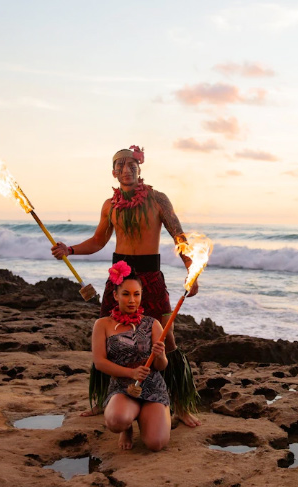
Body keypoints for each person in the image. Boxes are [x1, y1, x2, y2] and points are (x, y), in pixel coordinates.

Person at [51, 145, 201, 427]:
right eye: (120, 166)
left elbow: (178, 236)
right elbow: (98, 241)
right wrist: (69, 249)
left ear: (139, 169)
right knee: (107, 335)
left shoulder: (158, 200)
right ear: (113, 172)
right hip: (119, 276)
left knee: (167, 339)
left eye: (132, 165)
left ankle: (179, 404)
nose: (126, 170)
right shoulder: (110, 205)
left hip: (151, 276)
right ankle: (102, 400)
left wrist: (191, 269)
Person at [93, 262, 170, 451]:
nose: (131, 300)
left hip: (152, 386)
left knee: (155, 444)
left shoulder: (153, 324)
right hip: (122, 387)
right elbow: (100, 362)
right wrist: (131, 373)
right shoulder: (103, 324)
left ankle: (151, 415)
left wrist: (159, 355)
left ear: (142, 295)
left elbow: (161, 366)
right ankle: (126, 428)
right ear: (116, 295)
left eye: (136, 294)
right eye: (126, 294)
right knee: (116, 421)